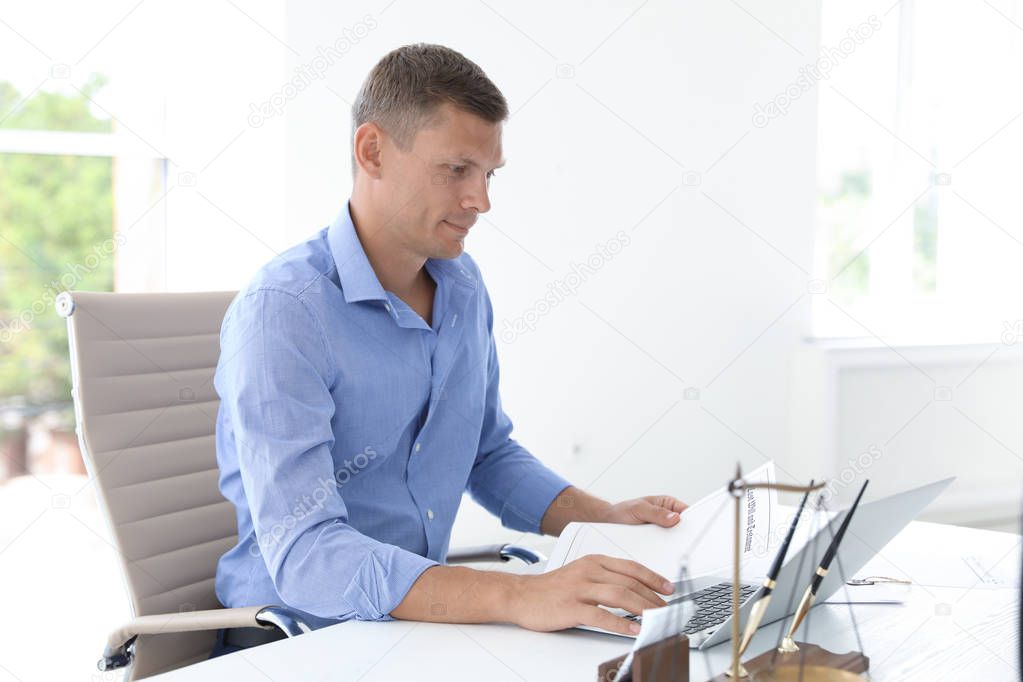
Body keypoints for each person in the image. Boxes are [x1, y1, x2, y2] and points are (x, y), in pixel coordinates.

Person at [212, 43, 688, 655]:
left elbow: (485, 452)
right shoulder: (284, 311)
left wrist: (603, 520)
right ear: (372, 151)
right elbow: (308, 555)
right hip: (297, 639)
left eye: (488, 175)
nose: (481, 201)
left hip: (414, 630)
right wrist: (516, 595)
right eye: (456, 169)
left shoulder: (460, 286)